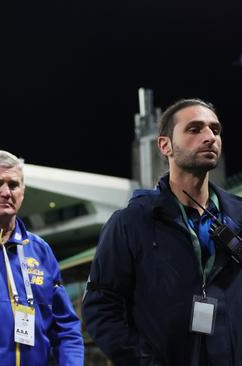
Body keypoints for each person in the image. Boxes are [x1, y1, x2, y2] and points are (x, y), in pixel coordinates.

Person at [83, 98, 242, 365]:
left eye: (215, 130)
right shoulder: (130, 222)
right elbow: (100, 306)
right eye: (194, 129)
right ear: (164, 145)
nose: (209, 137)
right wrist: (143, 361)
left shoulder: (238, 215)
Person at [0, 150, 84, 366]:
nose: (6, 192)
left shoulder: (40, 251)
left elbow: (66, 327)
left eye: (13, 185)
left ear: (22, 192)